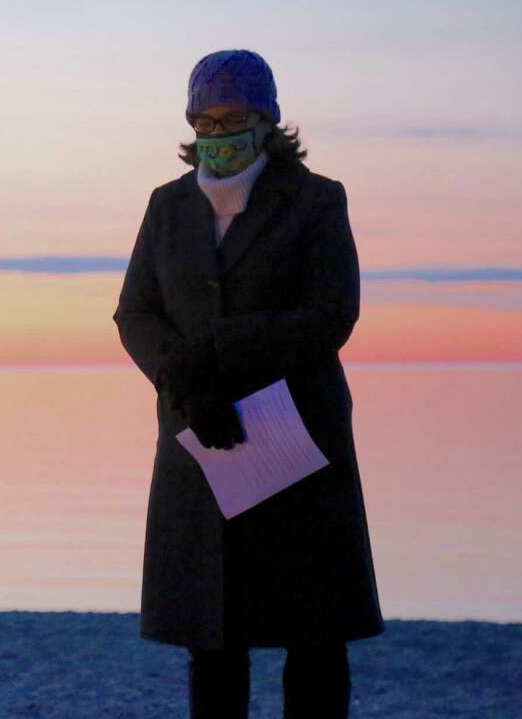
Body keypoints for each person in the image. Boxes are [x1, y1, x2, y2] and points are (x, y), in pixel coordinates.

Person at [112, 49, 385, 719]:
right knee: (213, 636)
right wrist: (184, 383)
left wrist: (212, 349)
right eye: (204, 118)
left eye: (233, 117)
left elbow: (332, 314)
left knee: (313, 633)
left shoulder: (317, 200)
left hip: (296, 438)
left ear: (267, 121)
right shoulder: (167, 207)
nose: (218, 131)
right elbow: (136, 312)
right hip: (202, 437)